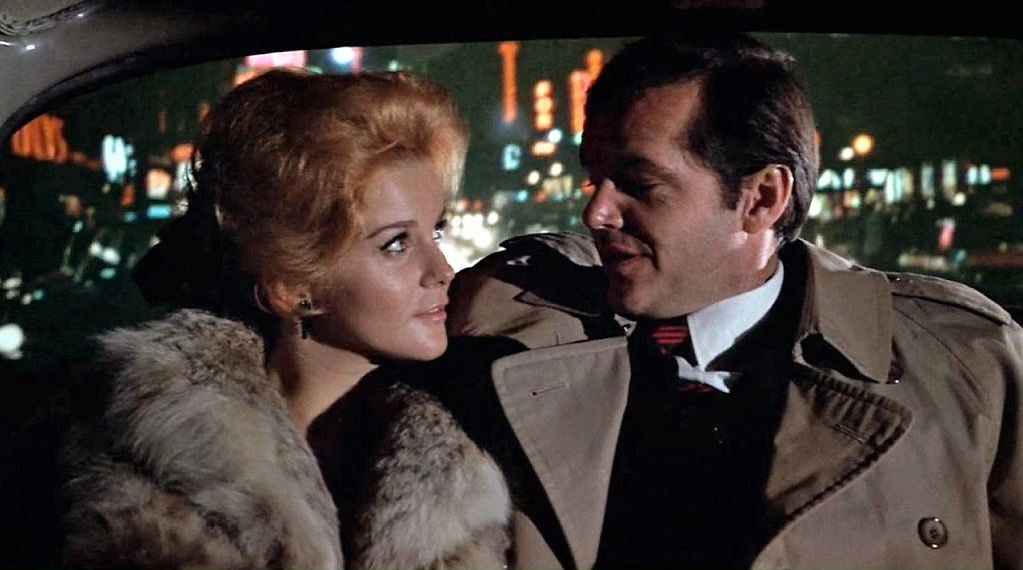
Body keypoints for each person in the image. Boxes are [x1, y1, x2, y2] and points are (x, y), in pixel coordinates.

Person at [444, 33, 1023, 569]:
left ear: (761, 199)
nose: (596, 212)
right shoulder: (511, 333)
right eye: (595, 179)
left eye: (640, 185)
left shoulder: (964, 364)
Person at [59, 69, 511, 570]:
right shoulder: (155, 458)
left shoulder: (483, 434)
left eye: (437, 232)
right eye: (397, 244)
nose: (442, 271)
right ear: (294, 284)